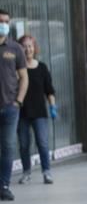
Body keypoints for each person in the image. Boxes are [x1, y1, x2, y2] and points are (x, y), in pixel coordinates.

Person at [15, 36, 56, 185]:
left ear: (35, 48)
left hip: (39, 112)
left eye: (30, 46)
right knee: (24, 144)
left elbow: (49, 91)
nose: (28, 49)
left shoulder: (42, 67)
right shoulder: (17, 68)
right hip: (21, 113)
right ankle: (26, 172)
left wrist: (52, 107)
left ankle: (47, 172)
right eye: (24, 46)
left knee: (43, 143)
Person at [0, 11, 27, 202]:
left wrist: (18, 101)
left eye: (6, 22)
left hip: (10, 106)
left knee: (8, 147)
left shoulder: (15, 48)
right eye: (1, 21)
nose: (4, 24)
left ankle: (4, 185)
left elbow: (24, 77)